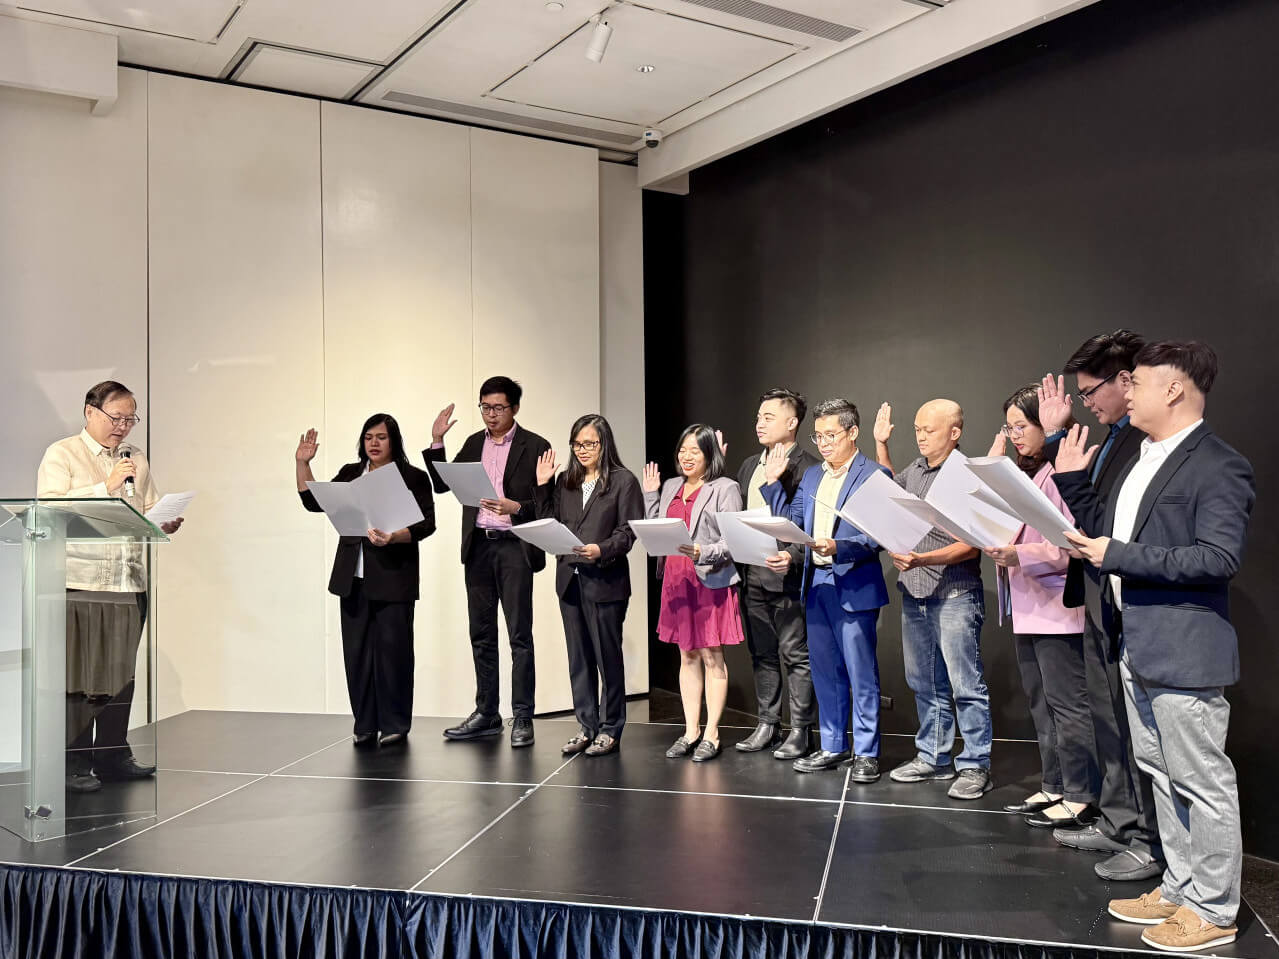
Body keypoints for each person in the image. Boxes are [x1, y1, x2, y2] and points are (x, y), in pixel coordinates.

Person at [1058, 341, 1253, 953]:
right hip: (1134, 643)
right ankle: (1181, 885)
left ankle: (1215, 907)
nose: (1126, 389)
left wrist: (1115, 555)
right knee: (1162, 776)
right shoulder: (1141, 457)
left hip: (1183, 650)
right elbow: (1116, 535)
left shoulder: (1219, 464)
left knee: (1201, 780)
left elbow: (1217, 557)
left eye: (1136, 380)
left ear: (1174, 389)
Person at [1036, 330, 1164, 882]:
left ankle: (1146, 837)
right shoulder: (1113, 438)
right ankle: (1119, 822)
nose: (1090, 402)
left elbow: (1108, 526)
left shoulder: (1145, 445)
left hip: (1132, 606)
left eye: (1094, 391)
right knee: (1109, 721)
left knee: (1139, 734)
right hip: (1099, 595)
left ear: (1129, 379)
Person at [36, 381, 184, 793]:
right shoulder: (61, 454)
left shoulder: (135, 457)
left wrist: (163, 520)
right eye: (115, 417)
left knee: (121, 675)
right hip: (79, 582)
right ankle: (73, 764)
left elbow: (146, 506)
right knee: (79, 676)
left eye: (130, 419)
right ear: (89, 412)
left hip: (127, 580)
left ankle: (114, 754)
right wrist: (107, 487)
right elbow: (49, 511)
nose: (123, 428)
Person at [984, 386, 1099, 829]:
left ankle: (1081, 793)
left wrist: (1020, 556)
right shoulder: (1025, 475)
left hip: (1057, 605)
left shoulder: (1060, 472)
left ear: (1043, 425)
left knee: (1067, 704)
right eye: (1009, 426)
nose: (1015, 435)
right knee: (1040, 702)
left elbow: (1071, 544)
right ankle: (1054, 783)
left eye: (1021, 426)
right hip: (1027, 603)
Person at [762, 398, 888, 781]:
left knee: (860, 671)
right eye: (818, 437)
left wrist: (838, 547)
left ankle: (866, 752)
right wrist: (773, 489)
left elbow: (877, 535)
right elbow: (794, 520)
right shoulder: (814, 476)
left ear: (853, 432)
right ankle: (833, 745)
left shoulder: (873, 475)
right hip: (816, 584)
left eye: (831, 435)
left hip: (853, 582)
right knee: (824, 671)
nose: (824, 443)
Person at [872, 399, 992, 800]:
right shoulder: (917, 470)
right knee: (925, 682)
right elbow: (889, 492)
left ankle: (975, 765)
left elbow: (971, 546)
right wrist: (882, 445)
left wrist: (922, 557)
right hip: (916, 592)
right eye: (918, 429)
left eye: (930, 429)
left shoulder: (967, 475)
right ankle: (934, 756)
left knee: (965, 685)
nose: (920, 436)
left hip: (955, 592)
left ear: (954, 433)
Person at [424, 376, 551, 748]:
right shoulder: (473, 442)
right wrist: (437, 442)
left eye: (498, 408)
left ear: (514, 408)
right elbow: (442, 484)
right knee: (481, 632)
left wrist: (517, 508)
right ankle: (487, 712)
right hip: (478, 545)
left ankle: (523, 715)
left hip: (515, 546)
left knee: (519, 635)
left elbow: (546, 505)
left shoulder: (535, 446)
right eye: (485, 407)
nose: (490, 414)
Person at [296, 415, 435, 747]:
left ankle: (395, 723)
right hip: (352, 577)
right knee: (356, 655)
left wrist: (394, 536)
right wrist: (302, 463)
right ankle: (365, 723)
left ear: (394, 441)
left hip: (393, 577)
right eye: (369, 437)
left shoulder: (412, 477)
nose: (374, 443)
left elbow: (426, 524)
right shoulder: (349, 473)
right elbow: (313, 501)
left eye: (382, 438)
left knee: (394, 654)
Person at [533, 414, 644, 757]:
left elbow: (629, 531)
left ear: (604, 443)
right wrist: (541, 485)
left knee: (607, 658)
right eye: (577, 444)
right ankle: (586, 725)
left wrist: (601, 550)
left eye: (590, 443)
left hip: (605, 580)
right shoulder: (565, 481)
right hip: (569, 579)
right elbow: (547, 521)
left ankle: (611, 728)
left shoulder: (623, 481)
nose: (582, 450)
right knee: (578, 659)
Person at [644, 424, 745, 763]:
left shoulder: (725, 488)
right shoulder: (671, 485)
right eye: (682, 451)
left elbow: (733, 541)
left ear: (709, 455)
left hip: (709, 579)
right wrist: (650, 496)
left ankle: (712, 734)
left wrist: (705, 552)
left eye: (695, 452)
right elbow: (655, 531)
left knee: (712, 656)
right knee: (686, 655)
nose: (686, 457)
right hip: (676, 579)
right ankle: (690, 730)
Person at [732, 388, 819, 759]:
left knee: (795, 654)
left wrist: (793, 556)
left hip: (785, 576)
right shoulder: (750, 464)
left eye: (769, 416)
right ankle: (768, 723)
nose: (760, 423)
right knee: (762, 653)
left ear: (792, 422)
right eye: (758, 417)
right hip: (751, 572)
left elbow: (808, 525)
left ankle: (801, 730)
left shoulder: (809, 466)